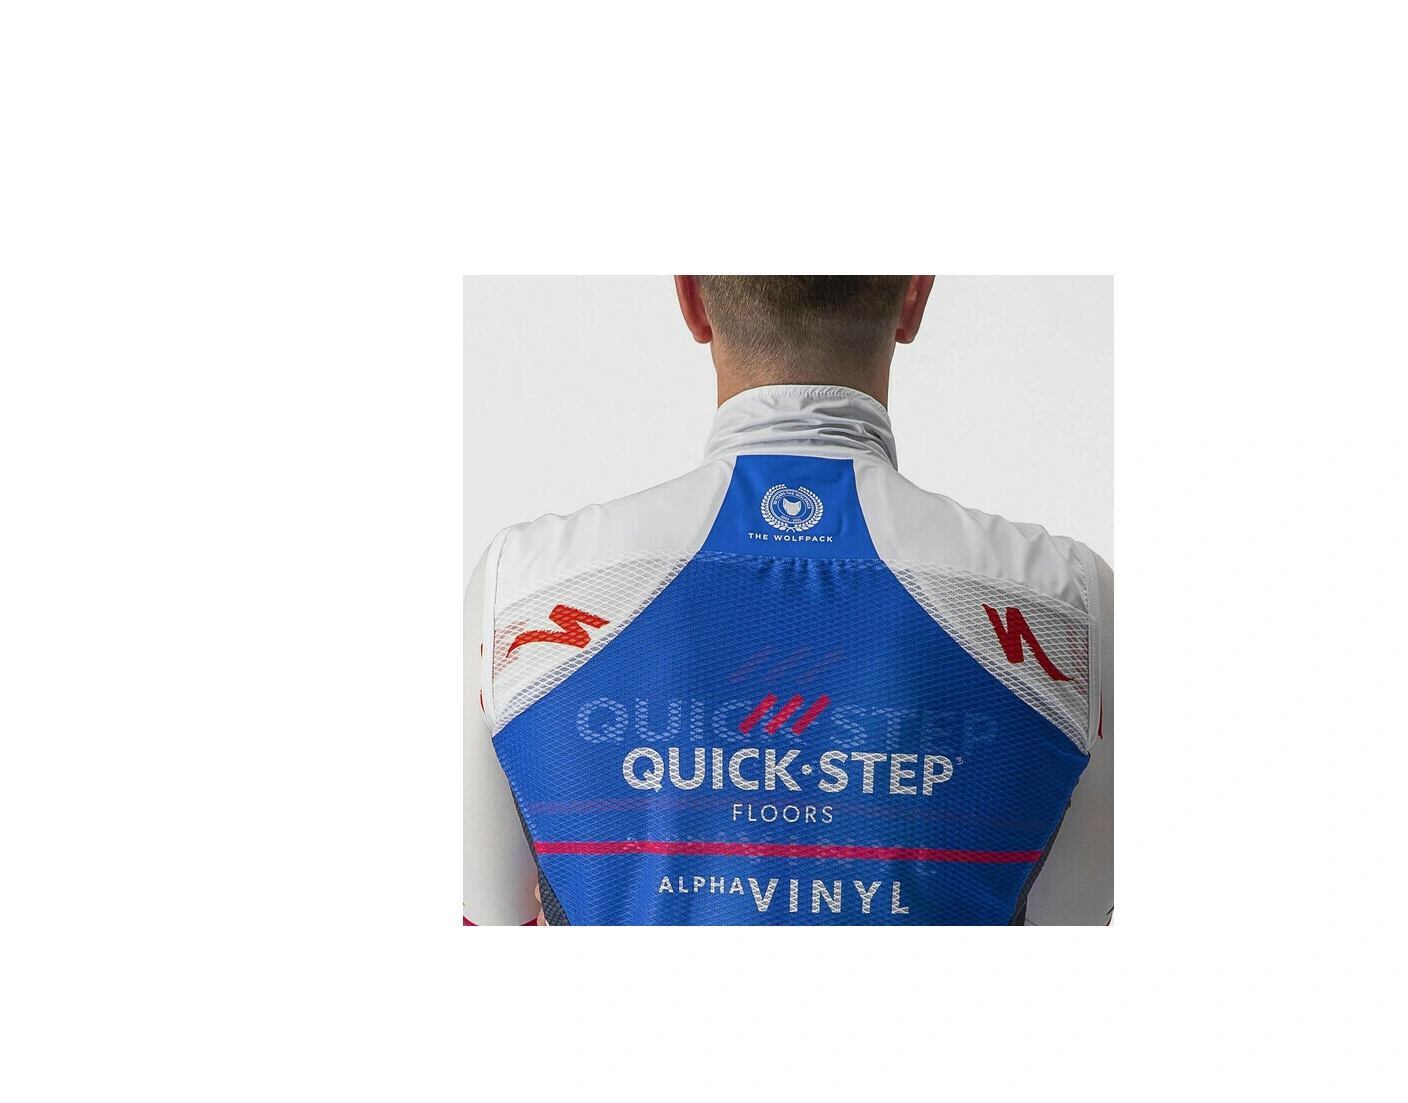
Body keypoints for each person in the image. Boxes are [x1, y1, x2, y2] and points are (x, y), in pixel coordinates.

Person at [463, 276, 1112, 925]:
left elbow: (480, 920)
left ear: (691, 299)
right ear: (915, 298)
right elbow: (1078, 920)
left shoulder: (518, 583)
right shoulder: (1069, 598)